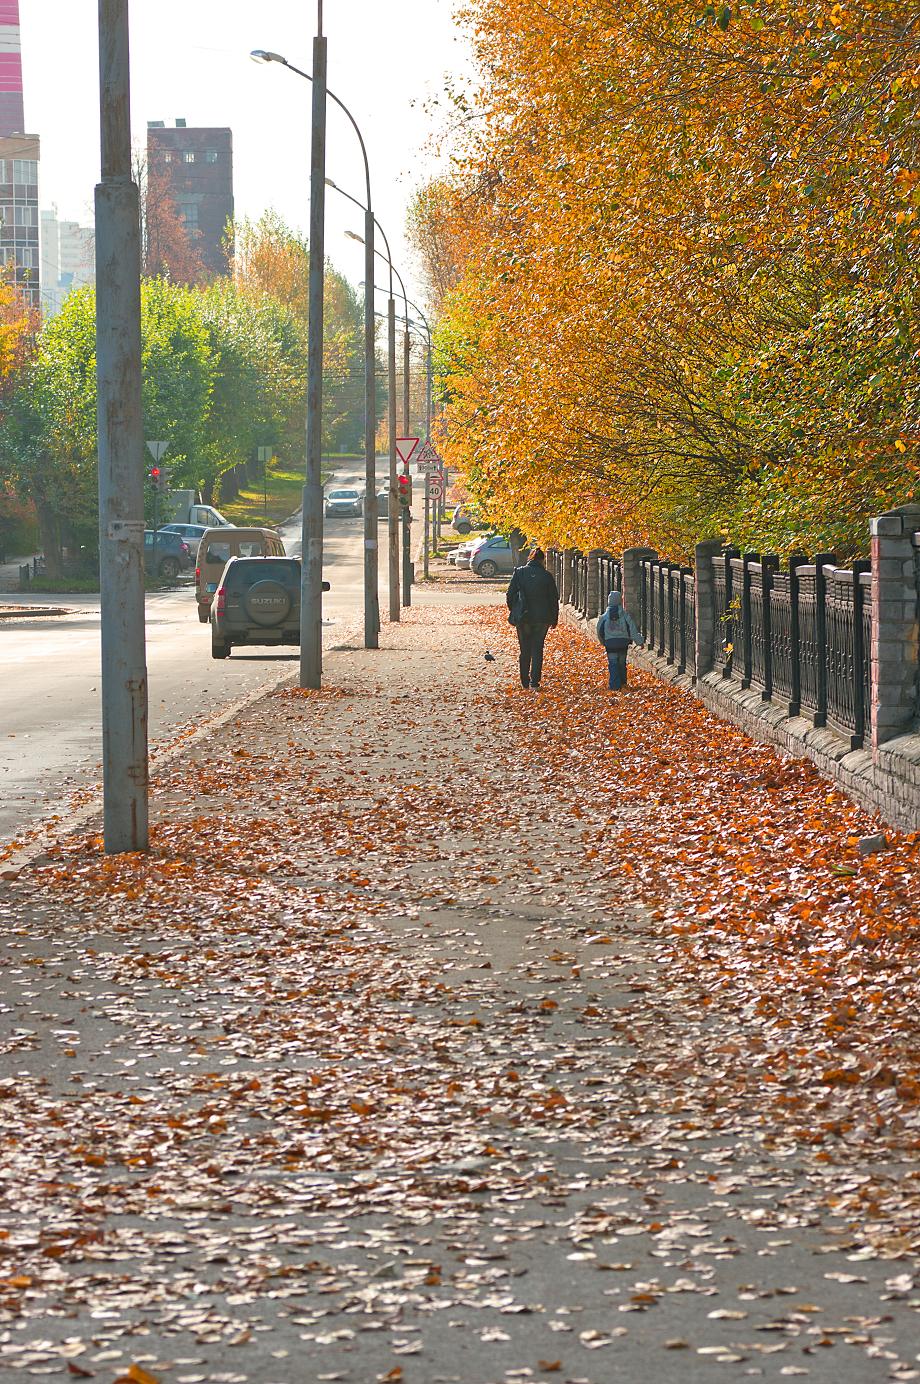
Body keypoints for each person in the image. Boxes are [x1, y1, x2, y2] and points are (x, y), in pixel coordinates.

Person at [506, 548, 560, 691]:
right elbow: (554, 599)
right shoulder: (547, 576)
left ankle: (524, 680)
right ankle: (534, 682)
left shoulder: (519, 573)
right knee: (537, 649)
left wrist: (514, 610)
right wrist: (554, 619)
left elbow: (510, 594)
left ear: (530, 558)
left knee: (525, 649)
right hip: (542, 618)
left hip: (523, 617)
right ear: (542, 560)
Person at [596, 589, 644, 691]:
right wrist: (639, 642)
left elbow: (599, 630)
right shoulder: (625, 616)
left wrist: (602, 641)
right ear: (619, 601)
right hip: (623, 643)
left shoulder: (604, 617)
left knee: (613, 663)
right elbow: (632, 629)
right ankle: (623, 682)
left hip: (610, 644)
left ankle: (614, 685)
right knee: (622, 663)